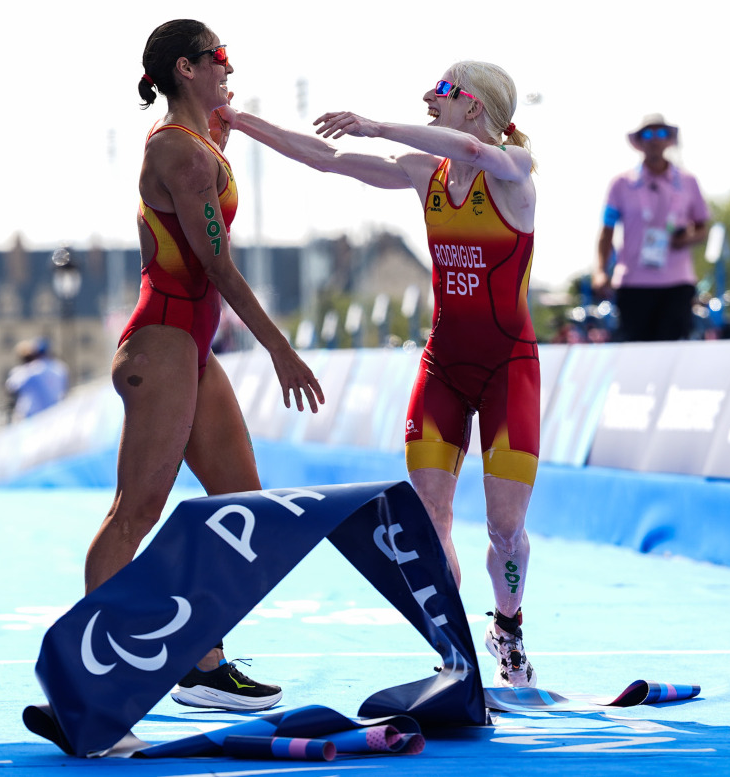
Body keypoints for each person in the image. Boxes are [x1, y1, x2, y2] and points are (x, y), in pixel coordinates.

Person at [227, 60, 542, 688]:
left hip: (510, 371)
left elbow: (477, 149)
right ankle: (456, 651)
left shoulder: (516, 176)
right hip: (444, 368)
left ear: (475, 106)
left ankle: (507, 631)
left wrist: (373, 125)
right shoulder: (426, 172)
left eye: (444, 90)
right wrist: (239, 121)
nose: (430, 95)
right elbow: (325, 159)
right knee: (431, 520)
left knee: (506, 531)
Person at [85, 19, 324, 711]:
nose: (230, 67)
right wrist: (279, 347)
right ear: (186, 69)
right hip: (162, 344)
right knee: (136, 514)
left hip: (186, 348)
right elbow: (214, 264)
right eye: (219, 57)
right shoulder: (180, 155)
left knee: (244, 507)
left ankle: (201, 659)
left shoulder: (196, 144)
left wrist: (223, 132)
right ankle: (97, 670)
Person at [594, 114, 709, 342]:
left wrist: (686, 238)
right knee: (636, 352)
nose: (655, 139)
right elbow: (607, 230)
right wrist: (600, 271)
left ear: (670, 140)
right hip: (633, 283)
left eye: (662, 133)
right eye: (648, 134)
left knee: (673, 352)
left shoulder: (687, 182)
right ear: (639, 142)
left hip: (677, 283)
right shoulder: (621, 184)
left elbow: (703, 227)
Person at [4, 338, 68, 421]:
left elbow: (11, 386)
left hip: (34, 418)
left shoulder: (33, 369)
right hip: (56, 415)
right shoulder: (60, 367)